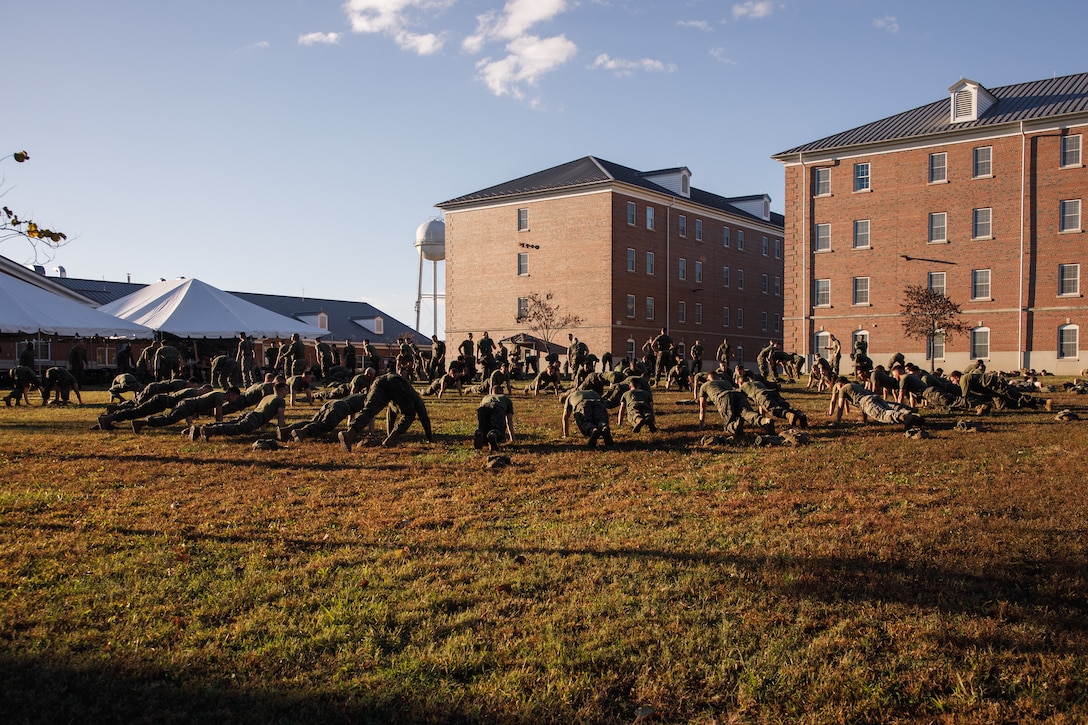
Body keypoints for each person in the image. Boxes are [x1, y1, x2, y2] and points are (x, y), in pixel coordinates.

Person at [338, 372, 434, 450]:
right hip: (396, 382)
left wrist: (389, 435)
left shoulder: (393, 402)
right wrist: (430, 438)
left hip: (379, 381)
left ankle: (349, 434)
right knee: (409, 415)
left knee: (369, 410)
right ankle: (391, 440)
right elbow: (423, 416)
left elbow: (390, 416)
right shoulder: (414, 398)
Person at [193, 382, 289, 441]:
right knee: (236, 428)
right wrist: (282, 431)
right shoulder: (280, 400)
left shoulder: (267, 397)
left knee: (230, 423)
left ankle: (201, 428)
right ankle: (211, 430)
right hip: (257, 418)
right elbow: (280, 416)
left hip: (251, 414)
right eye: (286, 391)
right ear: (283, 390)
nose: (287, 393)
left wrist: (262, 429)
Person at [97, 381, 203, 430]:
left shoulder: (190, 391)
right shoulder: (192, 392)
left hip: (160, 402)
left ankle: (109, 418)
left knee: (137, 411)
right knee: (137, 411)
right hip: (159, 401)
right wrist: (189, 424)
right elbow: (185, 409)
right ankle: (109, 418)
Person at [697, 369, 773, 437]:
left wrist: (701, 426)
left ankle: (735, 425)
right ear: (718, 378)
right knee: (747, 413)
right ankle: (765, 421)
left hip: (723, 397)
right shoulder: (725, 382)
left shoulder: (704, 386)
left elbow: (702, 408)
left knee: (728, 424)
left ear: (707, 380)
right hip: (737, 394)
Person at [132, 386, 240, 433]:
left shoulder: (218, 395)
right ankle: (141, 422)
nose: (236, 400)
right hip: (188, 405)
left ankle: (142, 422)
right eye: (236, 397)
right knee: (169, 419)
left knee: (170, 418)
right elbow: (218, 414)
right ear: (231, 394)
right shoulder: (219, 396)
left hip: (189, 405)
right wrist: (219, 427)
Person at [828, 376, 923, 429]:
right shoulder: (854, 385)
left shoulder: (843, 389)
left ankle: (904, 417)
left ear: (839, 384)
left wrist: (837, 422)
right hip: (873, 397)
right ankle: (911, 414)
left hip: (866, 401)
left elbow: (840, 407)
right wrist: (865, 421)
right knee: (889, 407)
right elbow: (863, 406)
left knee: (883, 414)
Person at [736, 366, 807, 427]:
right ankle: (799, 414)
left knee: (774, 409)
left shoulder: (742, 387)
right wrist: (762, 416)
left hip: (761, 395)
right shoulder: (757, 382)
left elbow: (742, 401)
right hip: (771, 392)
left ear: (740, 383)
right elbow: (761, 404)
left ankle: (789, 415)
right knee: (785, 406)